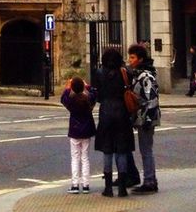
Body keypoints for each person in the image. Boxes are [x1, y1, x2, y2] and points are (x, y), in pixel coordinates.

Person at [93, 46, 135, 198]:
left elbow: (97, 96)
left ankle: (108, 188)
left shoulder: (99, 73)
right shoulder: (125, 72)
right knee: (122, 150)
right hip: (122, 113)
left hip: (106, 113)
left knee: (107, 150)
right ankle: (123, 187)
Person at [128, 44, 160, 194]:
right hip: (143, 117)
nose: (130, 60)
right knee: (145, 149)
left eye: (133, 57)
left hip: (146, 118)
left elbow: (151, 99)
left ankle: (149, 181)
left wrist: (146, 119)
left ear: (140, 59)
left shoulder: (145, 76)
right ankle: (150, 179)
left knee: (146, 150)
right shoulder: (140, 74)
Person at [60, 74, 96, 193]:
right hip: (86, 131)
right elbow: (94, 94)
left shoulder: (71, 101)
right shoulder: (88, 100)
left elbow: (63, 98)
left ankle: (75, 185)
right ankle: (86, 185)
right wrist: (87, 86)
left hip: (75, 131)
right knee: (85, 158)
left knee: (75, 158)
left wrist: (68, 87)